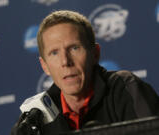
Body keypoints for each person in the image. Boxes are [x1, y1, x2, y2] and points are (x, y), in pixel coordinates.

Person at [11, 10, 159, 135]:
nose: (65, 61)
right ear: (45, 66)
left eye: (74, 48)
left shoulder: (125, 88)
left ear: (95, 54)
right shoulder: (35, 117)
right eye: (54, 53)